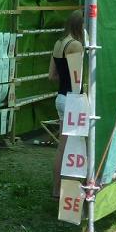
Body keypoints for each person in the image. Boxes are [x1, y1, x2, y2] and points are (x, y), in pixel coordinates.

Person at [48, 10, 85, 198]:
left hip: (61, 98)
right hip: (73, 100)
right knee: (75, 148)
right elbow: (78, 81)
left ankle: (57, 189)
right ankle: (71, 192)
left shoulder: (58, 43)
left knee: (62, 147)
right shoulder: (76, 45)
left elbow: (52, 75)